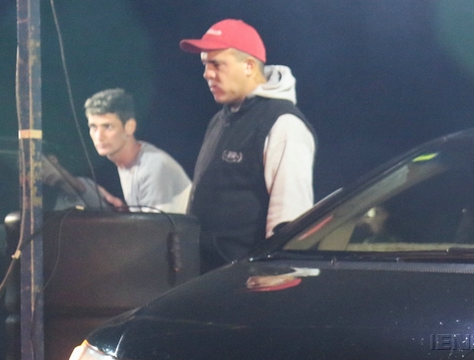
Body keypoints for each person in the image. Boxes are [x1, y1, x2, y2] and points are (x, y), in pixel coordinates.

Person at [179, 19, 316, 269]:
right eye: (205, 64)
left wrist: (277, 277)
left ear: (249, 66)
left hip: (243, 282)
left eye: (216, 64)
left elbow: (290, 223)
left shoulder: (284, 123)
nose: (207, 73)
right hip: (204, 279)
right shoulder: (219, 120)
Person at [84, 88, 192, 213]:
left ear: (129, 127)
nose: (99, 136)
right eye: (93, 127)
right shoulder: (127, 162)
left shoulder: (152, 167)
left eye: (108, 127)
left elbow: (158, 224)